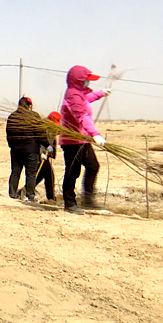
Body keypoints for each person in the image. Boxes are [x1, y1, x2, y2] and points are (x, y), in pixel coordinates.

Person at [59, 65, 111, 214]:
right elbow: (82, 116)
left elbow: (86, 100)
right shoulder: (72, 95)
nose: (88, 83)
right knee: (72, 171)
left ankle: (88, 198)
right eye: (86, 80)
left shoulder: (78, 94)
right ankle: (69, 203)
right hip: (72, 141)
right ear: (78, 80)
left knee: (93, 166)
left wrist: (100, 93)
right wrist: (95, 134)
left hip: (82, 139)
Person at [6, 97, 49, 201]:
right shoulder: (34, 116)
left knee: (15, 172)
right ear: (29, 105)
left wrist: (12, 145)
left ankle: (12, 193)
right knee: (30, 174)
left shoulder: (12, 116)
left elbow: (9, 134)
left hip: (16, 150)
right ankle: (30, 195)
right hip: (31, 150)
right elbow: (40, 133)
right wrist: (47, 145)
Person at [35, 111, 61, 202]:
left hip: (46, 155)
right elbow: (39, 141)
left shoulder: (52, 129)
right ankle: (51, 197)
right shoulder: (43, 128)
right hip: (41, 155)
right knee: (48, 174)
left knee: (41, 175)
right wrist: (41, 153)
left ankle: (26, 190)